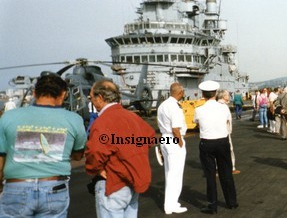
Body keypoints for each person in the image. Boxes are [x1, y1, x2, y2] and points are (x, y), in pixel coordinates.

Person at [0, 73, 86, 217]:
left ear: (34, 92)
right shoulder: (74, 119)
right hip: (54, 188)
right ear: (64, 94)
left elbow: (1, 157)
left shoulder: (8, 117)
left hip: (16, 187)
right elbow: (78, 155)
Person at [85, 80, 155, 217]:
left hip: (113, 185)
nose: (92, 101)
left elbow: (94, 152)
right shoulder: (133, 117)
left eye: (92, 97)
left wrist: (96, 169)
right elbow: (150, 137)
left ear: (100, 98)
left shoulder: (102, 122)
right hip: (133, 185)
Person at [194, 80, 238, 214]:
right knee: (226, 173)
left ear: (203, 93)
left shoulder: (199, 109)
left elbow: (197, 123)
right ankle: (232, 202)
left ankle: (212, 206)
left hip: (207, 143)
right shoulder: (224, 107)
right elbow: (227, 121)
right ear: (215, 93)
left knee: (210, 175)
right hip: (222, 142)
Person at [157, 83, 188, 214]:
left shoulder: (163, 105)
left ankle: (170, 203)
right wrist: (180, 143)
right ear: (180, 93)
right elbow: (175, 129)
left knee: (169, 172)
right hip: (174, 139)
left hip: (165, 138)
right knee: (175, 174)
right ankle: (171, 205)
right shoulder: (174, 107)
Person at [216, 89, 241, 175]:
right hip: (224, 133)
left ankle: (218, 169)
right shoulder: (224, 107)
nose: (229, 96)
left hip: (215, 133)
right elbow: (227, 121)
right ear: (223, 96)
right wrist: (229, 131)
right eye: (227, 95)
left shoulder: (215, 105)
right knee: (229, 150)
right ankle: (231, 168)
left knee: (217, 152)